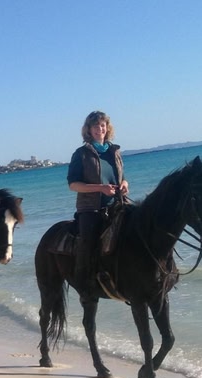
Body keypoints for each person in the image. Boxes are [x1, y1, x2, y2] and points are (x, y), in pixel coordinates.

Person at [67, 111, 129, 291]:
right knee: (88, 243)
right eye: (95, 126)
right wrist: (101, 188)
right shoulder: (81, 154)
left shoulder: (114, 151)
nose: (100, 129)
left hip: (118, 204)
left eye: (103, 125)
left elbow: (122, 177)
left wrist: (124, 184)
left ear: (107, 128)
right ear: (88, 129)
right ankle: (85, 283)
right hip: (91, 208)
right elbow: (73, 185)